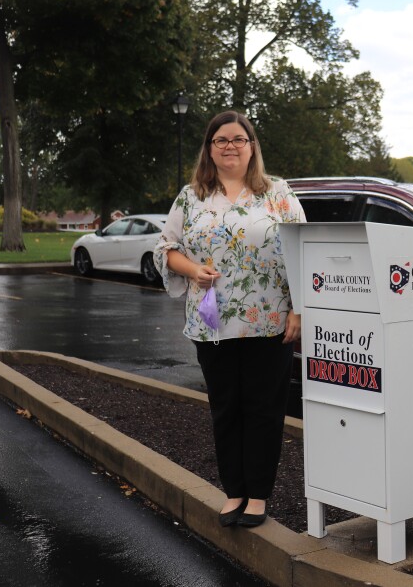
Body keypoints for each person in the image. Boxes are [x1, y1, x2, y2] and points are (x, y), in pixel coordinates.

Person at [154, 110, 306, 528]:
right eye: (220, 140)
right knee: (225, 408)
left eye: (238, 139)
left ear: (251, 146)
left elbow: (302, 251)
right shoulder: (192, 196)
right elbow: (166, 248)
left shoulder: (277, 193)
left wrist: (298, 308)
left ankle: (257, 495)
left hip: (269, 321)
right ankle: (234, 491)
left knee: (263, 408)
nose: (229, 147)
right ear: (209, 149)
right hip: (212, 322)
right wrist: (192, 270)